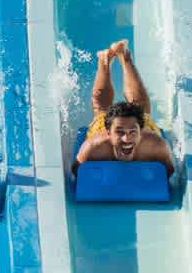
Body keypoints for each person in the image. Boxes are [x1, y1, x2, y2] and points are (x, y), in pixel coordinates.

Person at [73, 39, 174, 176]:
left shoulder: (156, 146)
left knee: (141, 108)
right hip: (102, 128)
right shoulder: (94, 147)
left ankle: (124, 56)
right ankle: (104, 60)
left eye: (133, 132)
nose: (127, 139)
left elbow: (169, 173)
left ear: (141, 131)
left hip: (142, 129)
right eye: (120, 132)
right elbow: (76, 172)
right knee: (100, 110)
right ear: (108, 133)